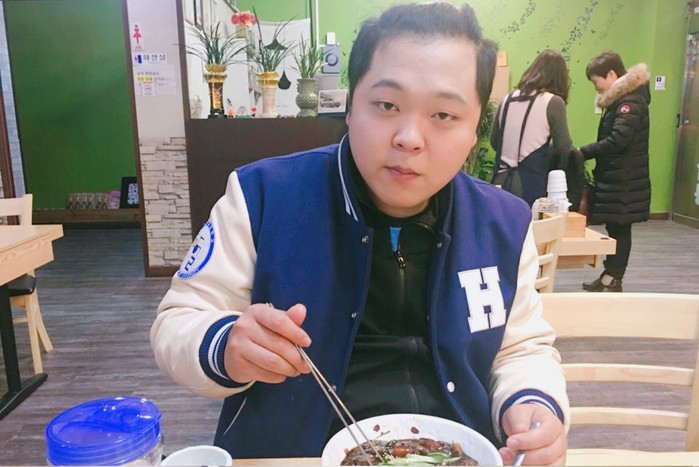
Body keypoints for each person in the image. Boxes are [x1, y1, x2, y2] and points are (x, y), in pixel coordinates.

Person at [151, 3, 569, 465]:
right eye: (387, 105)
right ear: (350, 107)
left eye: (444, 115)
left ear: (475, 132)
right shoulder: (263, 196)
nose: (410, 138)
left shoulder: (503, 222)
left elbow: (521, 348)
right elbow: (179, 320)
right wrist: (228, 344)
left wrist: (532, 404)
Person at [579, 51, 651, 292]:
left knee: (620, 228)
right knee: (616, 227)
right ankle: (609, 275)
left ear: (611, 74)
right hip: (619, 177)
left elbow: (618, 140)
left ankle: (614, 278)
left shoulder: (630, 102)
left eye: (596, 81)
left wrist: (584, 152)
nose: (596, 88)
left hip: (625, 179)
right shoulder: (623, 100)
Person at [490, 49, 573, 206]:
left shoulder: (507, 99)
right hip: (531, 184)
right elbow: (563, 147)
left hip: (499, 182)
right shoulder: (553, 102)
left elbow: (495, 141)